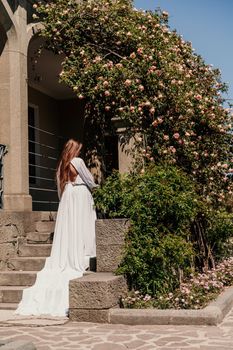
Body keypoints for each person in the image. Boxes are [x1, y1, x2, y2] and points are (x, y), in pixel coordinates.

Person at [15, 139, 98, 317]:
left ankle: (69, 252)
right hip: (80, 194)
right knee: (83, 225)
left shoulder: (62, 165)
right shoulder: (78, 162)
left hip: (68, 196)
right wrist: (96, 188)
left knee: (71, 227)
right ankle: (83, 251)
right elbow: (89, 180)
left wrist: (65, 200)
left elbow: (60, 190)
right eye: (79, 149)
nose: (79, 152)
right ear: (75, 150)